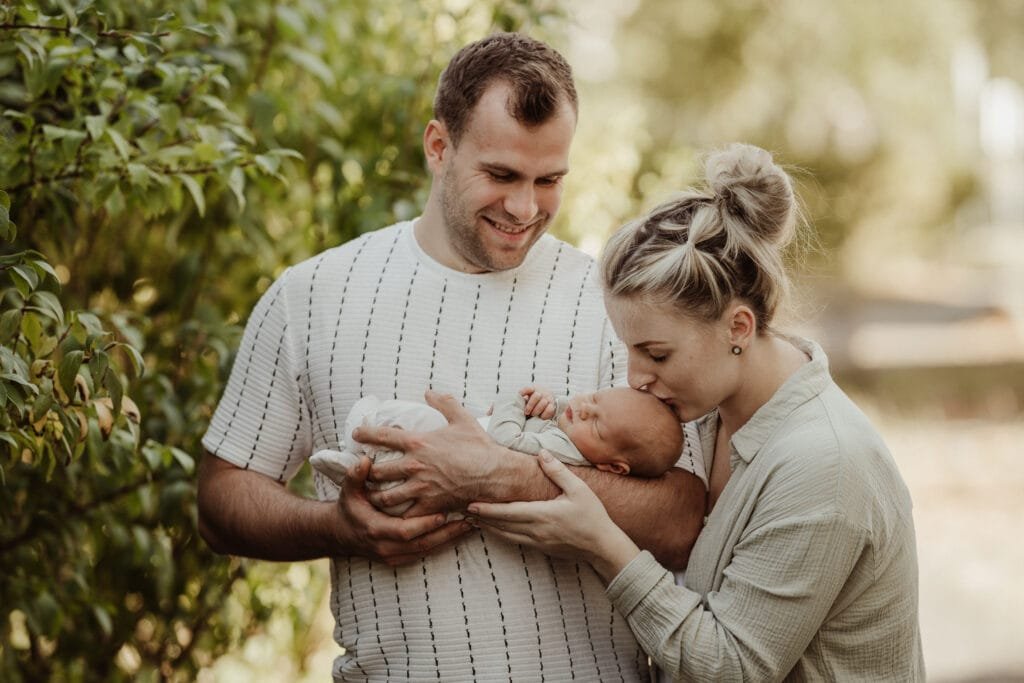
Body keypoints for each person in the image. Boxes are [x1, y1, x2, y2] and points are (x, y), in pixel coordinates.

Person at [197, 32, 705, 681]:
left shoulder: (619, 307)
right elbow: (220, 498)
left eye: (549, 180)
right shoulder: (312, 297)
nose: (525, 208)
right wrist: (335, 527)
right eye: (501, 175)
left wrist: (505, 475)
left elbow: (688, 516)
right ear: (439, 146)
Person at [468, 143, 925, 681]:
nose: (635, 378)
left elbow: (731, 666)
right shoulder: (704, 416)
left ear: (738, 328)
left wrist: (603, 546)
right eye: (629, 351)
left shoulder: (826, 464)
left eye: (657, 354)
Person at [310, 385, 686, 498]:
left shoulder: (562, 455)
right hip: (448, 455)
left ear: (612, 467)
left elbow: (507, 439)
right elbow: (569, 410)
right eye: (595, 399)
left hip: (452, 455)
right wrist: (553, 405)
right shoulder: (577, 437)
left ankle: (359, 439)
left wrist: (516, 401)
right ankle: (356, 460)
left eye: (598, 424)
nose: (582, 409)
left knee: (419, 421)